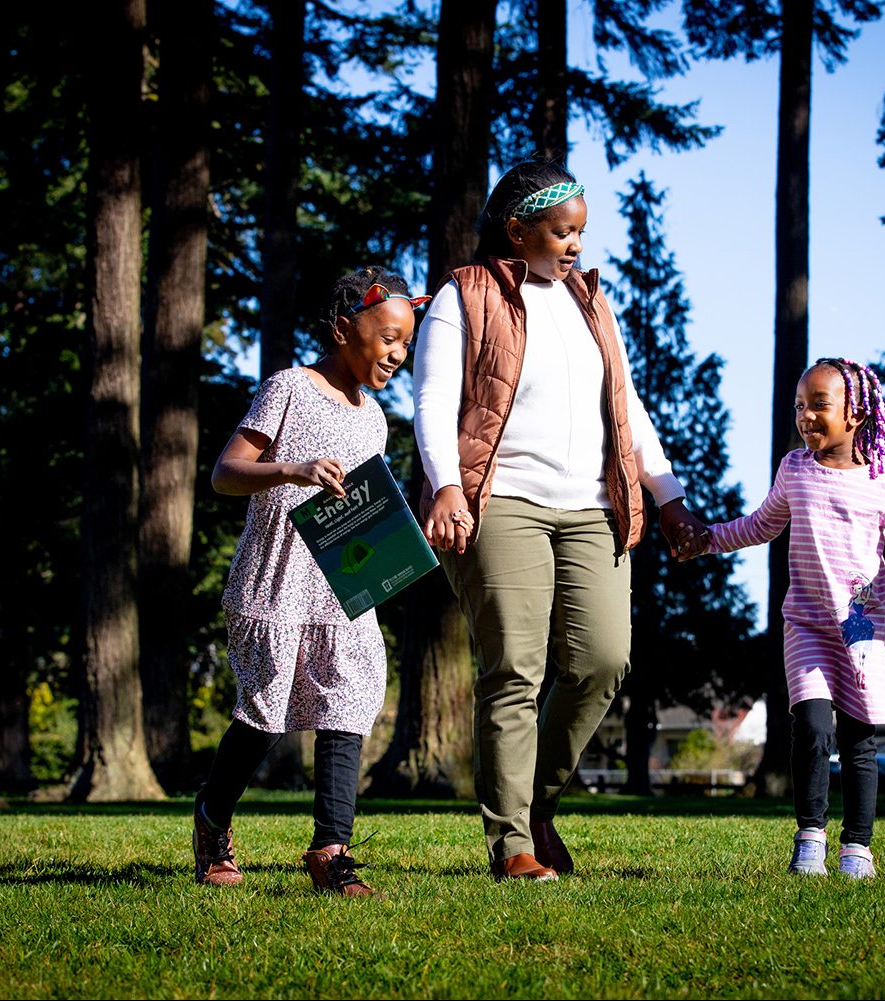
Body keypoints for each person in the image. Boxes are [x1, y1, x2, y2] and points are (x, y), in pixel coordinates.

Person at [413, 160, 709, 881]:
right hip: (502, 498)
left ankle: (536, 803)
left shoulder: (592, 304)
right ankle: (511, 841)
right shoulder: (466, 294)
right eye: (560, 230)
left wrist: (666, 496)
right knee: (515, 664)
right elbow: (431, 398)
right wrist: (447, 487)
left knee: (603, 659)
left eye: (579, 231)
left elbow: (628, 408)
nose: (574, 244)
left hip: (594, 506)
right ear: (518, 229)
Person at [677, 358, 885, 879]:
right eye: (800, 406)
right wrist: (708, 540)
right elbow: (760, 525)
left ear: (856, 412)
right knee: (813, 728)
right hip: (808, 623)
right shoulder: (795, 469)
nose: (806, 416)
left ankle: (857, 848)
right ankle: (809, 838)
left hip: (862, 626)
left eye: (820, 405)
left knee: (860, 738)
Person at [193, 265, 432, 897]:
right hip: (276, 578)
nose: (398, 354)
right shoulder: (289, 388)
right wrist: (292, 469)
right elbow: (226, 473)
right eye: (387, 338)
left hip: (342, 587)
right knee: (265, 714)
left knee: (349, 703)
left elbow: (361, 511)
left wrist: (392, 554)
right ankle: (213, 817)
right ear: (342, 330)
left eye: (405, 342)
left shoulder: (376, 418)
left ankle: (331, 850)